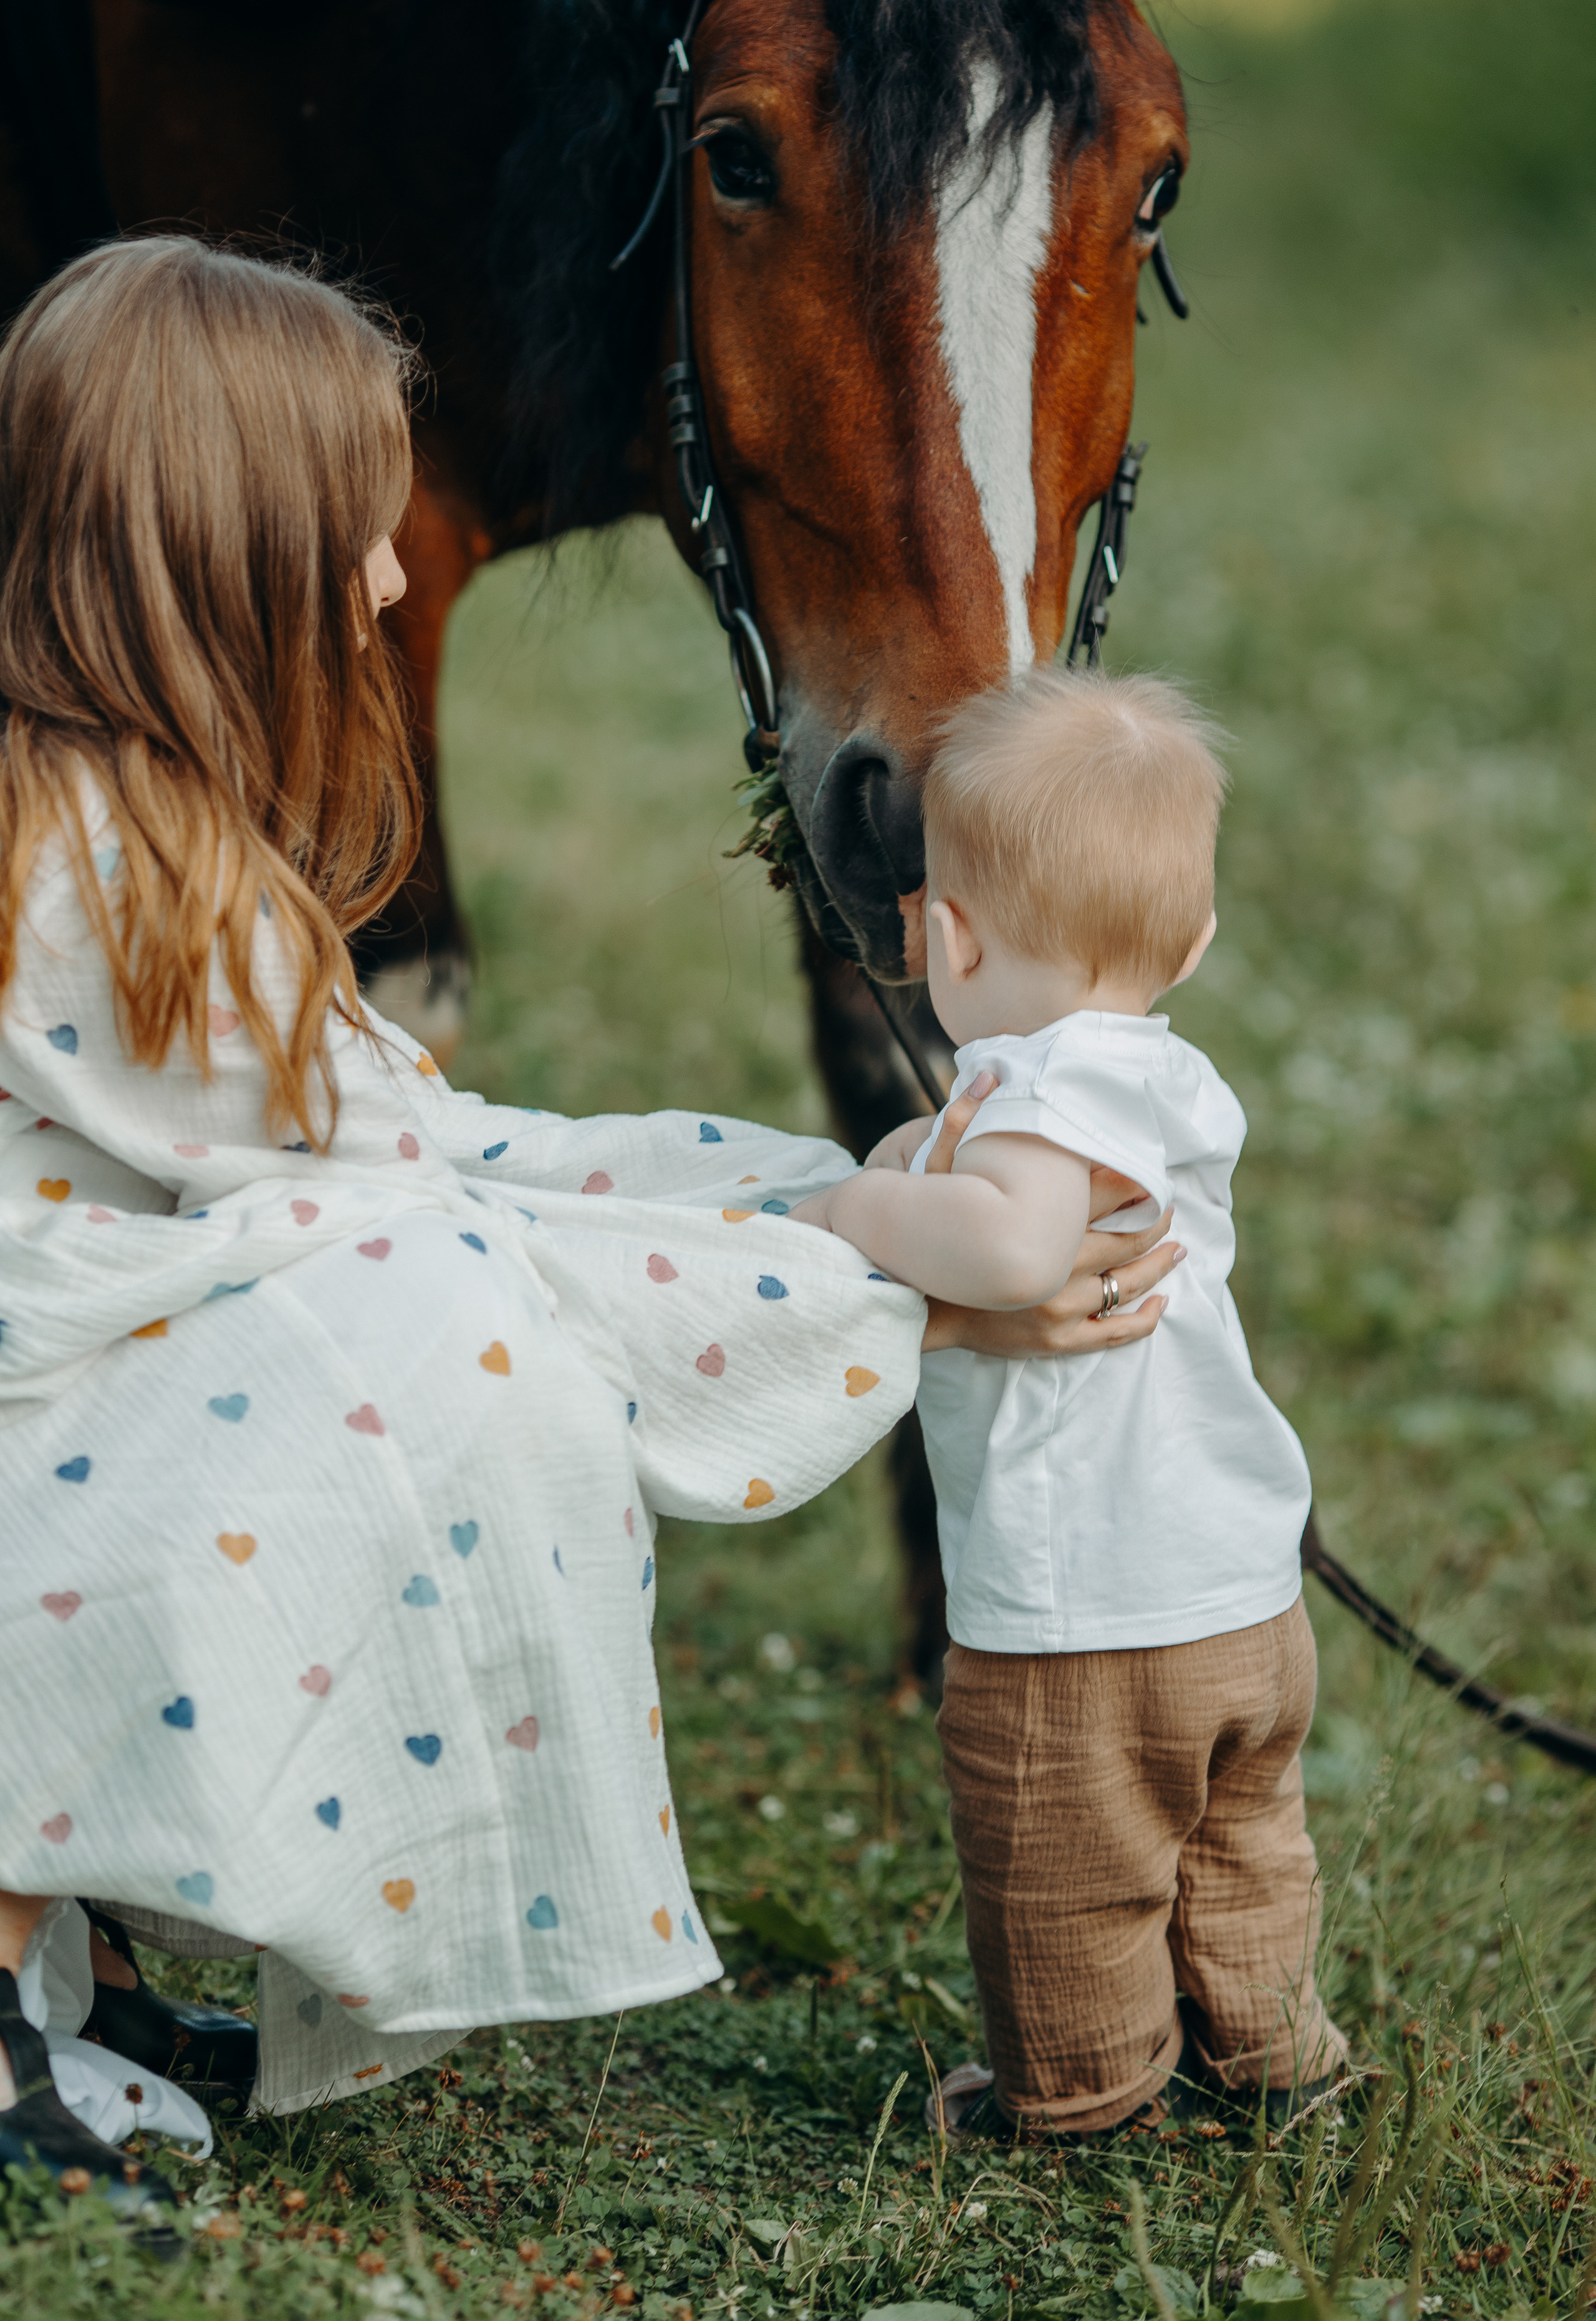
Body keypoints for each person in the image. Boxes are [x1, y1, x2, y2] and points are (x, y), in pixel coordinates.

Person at [0, 237, 1183, 2229]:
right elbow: (432, 1209)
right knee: (415, 1329)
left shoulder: (131, 829)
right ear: (226, 563)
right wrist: (894, 1284)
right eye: (363, 543)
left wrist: (839, 1205)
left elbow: (451, 1140)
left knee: (417, 1292)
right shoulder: (89, 874)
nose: (396, 585)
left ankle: (73, 1966)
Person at [794, 667, 1347, 2141]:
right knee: (1241, 1852)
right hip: (1236, 1590)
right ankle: (1268, 2058)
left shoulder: (1036, 1095)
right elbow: (989, 1164)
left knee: (1066, 1867)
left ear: (947, 934)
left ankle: (1081, 2095)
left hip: (1083, 1615)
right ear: (1197, 934)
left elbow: (1016, 1244)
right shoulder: (1158, 1078)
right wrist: (936, 1151)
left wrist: (863, 1205)